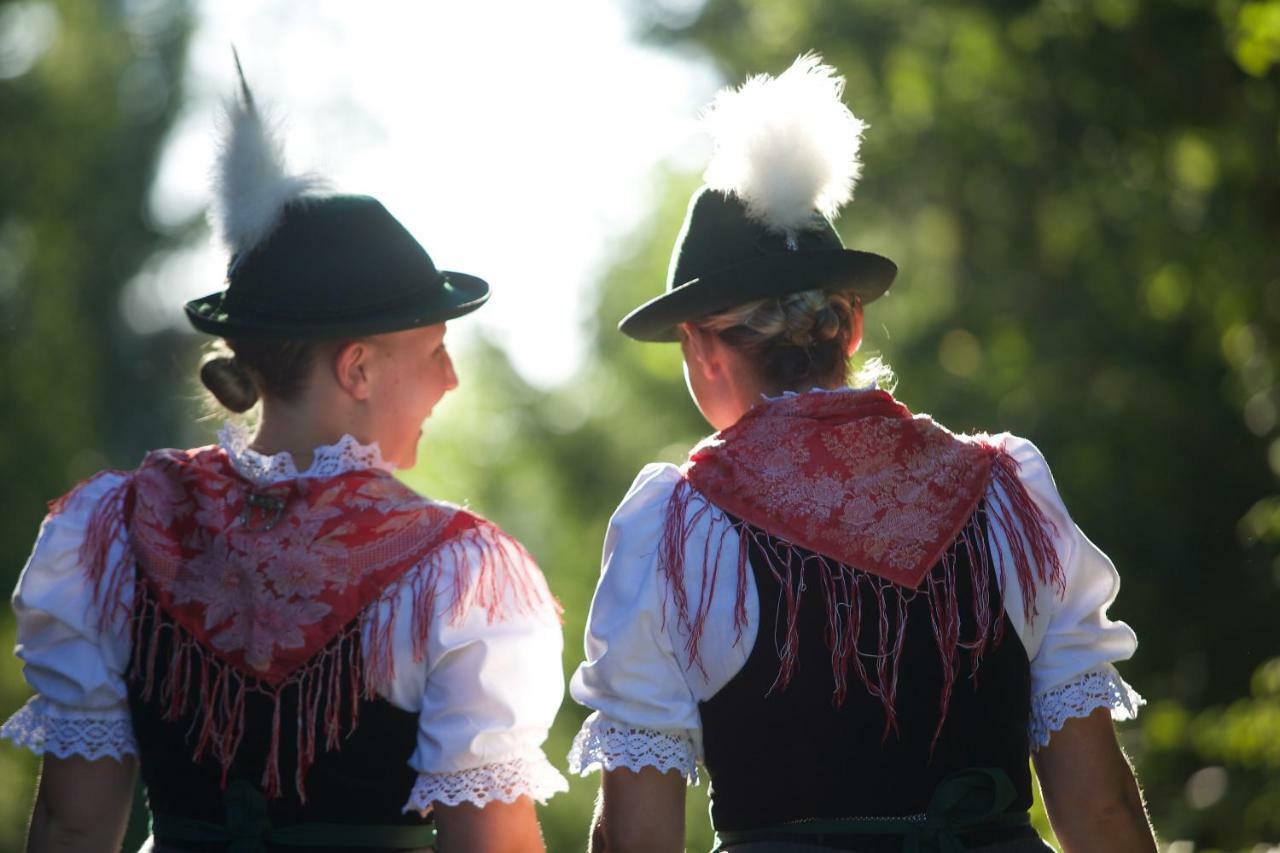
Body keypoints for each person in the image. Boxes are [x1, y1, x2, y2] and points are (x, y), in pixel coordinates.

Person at [568, 54, 1157, 852]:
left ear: (704, 349)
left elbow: (638, 839)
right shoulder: (1006, 490)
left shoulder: (676, 526)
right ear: (850, 326)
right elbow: (1102, 814)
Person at [1, 61, 566, 853]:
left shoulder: (117, 529)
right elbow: (491, 844)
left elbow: (74, 822)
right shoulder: (453, 571)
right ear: (357, 368)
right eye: (434, 349)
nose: (451, 378)